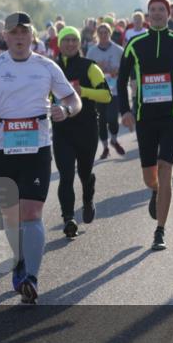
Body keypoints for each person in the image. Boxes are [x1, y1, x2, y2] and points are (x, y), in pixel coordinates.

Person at [0, 12, 81, 304]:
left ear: (31, 35)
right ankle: (20, 261)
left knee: (31, 213)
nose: (18, 37)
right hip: (1, 148)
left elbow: (73, 99)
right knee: (11, 217)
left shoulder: (46, 66)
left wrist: (65, 111)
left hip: (37, 147)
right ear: (4, 37)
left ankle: (32, 278)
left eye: (23, 32)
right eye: (13, 32)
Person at [118, 0, 173, 251]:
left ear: (169, 14)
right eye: (152, 10)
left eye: (161, 10)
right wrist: (125, 110)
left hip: (172, 116)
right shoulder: (135, 44)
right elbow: (122, 80)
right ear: (147, 15)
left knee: (166, 168)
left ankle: (160, 230)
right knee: (150, 177)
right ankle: (154, 191)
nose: (157, 14)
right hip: (145, 118)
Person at [53, 26, 111, 237]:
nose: (70, 44)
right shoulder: (52, 68)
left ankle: (88, 198)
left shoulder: (89, 67)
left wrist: (83, 92)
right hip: (62, 131)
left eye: (73, 40)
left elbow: (106, 96)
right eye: (66, 40)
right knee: (66, 175)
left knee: (84, 173)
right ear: (59, 43)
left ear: (79, 43)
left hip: (86, 129)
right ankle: (68, 218)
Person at [86, 22, 126, 158]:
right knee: (101, 120)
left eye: (106, 33)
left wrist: (118, 71)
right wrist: (98, 68)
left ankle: (114, 139)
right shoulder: (91, 51)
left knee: (113, 118)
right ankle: (105, 147)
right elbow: (86, 72)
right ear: (97, 35)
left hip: (114, 90)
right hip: (98, 91)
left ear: (110, 34)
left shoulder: (119, 50)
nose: (103, 35)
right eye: (100, 33)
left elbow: (126, 68)